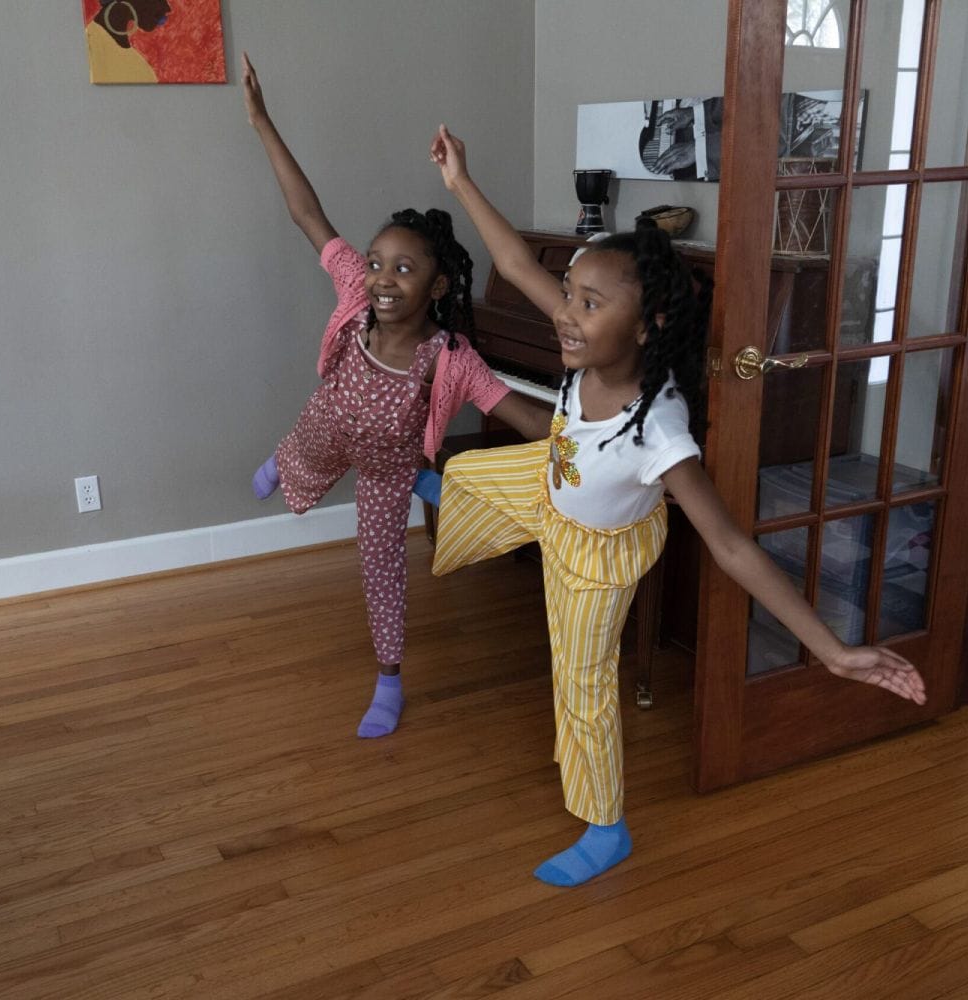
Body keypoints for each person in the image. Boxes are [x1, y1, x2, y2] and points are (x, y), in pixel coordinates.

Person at [426, 124, 927, 887]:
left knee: (582, 682)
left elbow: (731, 548)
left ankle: (605, 827)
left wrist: (831, 649)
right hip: (550, 485)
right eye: (569, 294)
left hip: (596, 553)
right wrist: (461, 180)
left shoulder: (658, 431)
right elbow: (515, 262)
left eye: (588, 303)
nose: (565, 312)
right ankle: (445, 492)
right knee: (465, 474)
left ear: (647, 324)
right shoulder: (581, 343)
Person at [241, 56, 550, 739]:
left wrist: (592, 435)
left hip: (386, 468)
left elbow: (521, 414)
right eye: (378, 262)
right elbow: (306, 212)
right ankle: (282, 463)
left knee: (381, 569)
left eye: (404, 268)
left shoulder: (452, 359)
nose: (382, 278)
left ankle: (388, 679)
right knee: (303, 442)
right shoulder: (355, 293)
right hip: (328, 422)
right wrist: (263, 122)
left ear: (437, 286)